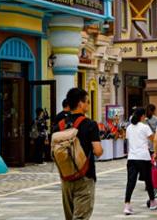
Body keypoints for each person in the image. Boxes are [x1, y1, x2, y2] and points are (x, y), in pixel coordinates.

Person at [57, 88, 103, 220]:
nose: (88, 104)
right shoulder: (90, 124)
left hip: (66, 177)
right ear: (80, 104)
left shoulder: (60, 125)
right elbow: (98, 151)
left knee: (70, 217)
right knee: (81, 217)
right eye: (87, 102)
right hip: (85, 176)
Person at [124, 107, 157, 214]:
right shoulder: (145, 127)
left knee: (131, 182)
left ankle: (127, 205)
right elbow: (154, 139)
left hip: (132, 158)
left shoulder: (129, 128)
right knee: (148, 181)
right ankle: (152, 201)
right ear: (142, 116)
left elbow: (128, 140)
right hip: (144, 157)